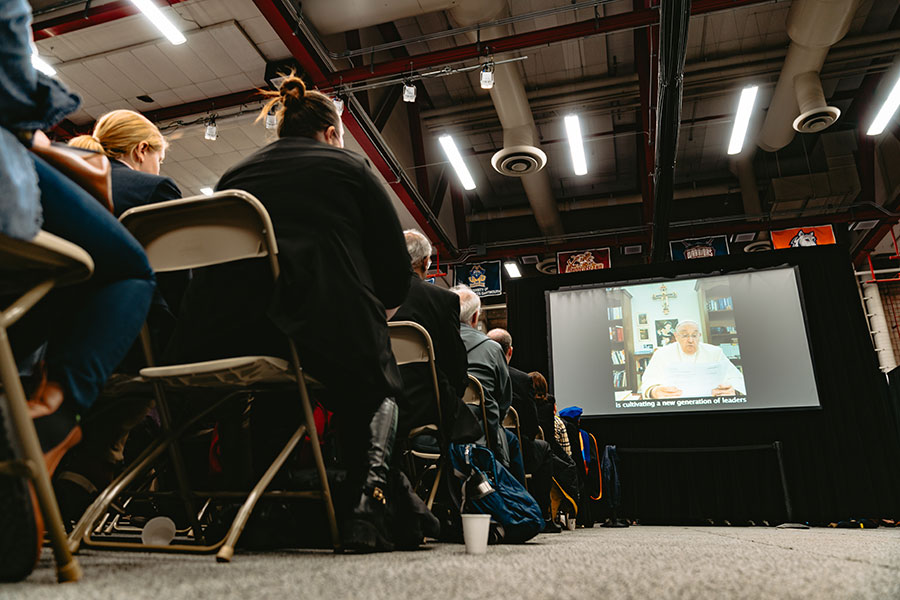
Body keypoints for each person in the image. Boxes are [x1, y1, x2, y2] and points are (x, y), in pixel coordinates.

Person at [166, 74, 412, 553]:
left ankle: (264, 510)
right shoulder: (348, 167)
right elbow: (395, 276)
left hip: (234, 330)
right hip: (326, 322)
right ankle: (367, 506)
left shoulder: (234, 179)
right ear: (331, 133)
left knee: (278, 390)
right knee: (380, 383)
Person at [0, 0, 155, 581]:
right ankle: (49, 416)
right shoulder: (155, 186)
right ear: (143, 152)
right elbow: (9, 73)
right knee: (124, 272)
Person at [390, 230, 481, 446]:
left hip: (378, 402)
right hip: (426, 408)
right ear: (424, 262)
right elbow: (455, 365)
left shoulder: (371, 296)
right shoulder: (442, 299)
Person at [487, 328, 558, 532]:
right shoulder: (520, 379)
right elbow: (530, 425)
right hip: (514, 448)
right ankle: (542, 514)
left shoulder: (473, 373)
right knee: (544, 449)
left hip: (481, 442)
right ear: (510, 352)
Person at [68, 109, 180, 217]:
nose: (158, 171)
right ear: (142, 150)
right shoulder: (156, 188)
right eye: (159, 160)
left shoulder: (70, 180)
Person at [449, 285, 511, 466]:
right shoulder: (492, 348)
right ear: (475, 317)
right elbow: (503, 402)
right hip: (482, 438)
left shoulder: (431, 344)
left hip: (436, 437)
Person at [639, 320, 746, 399]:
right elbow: (649, 381)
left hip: (708, 405)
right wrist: (654, 391)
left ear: (699, 336)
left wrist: (733, 391)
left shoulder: (715, 352)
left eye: (694, 335)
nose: (690, 340)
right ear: (676, 336)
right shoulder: (661, 354)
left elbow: (736, 378)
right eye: (685, 335)